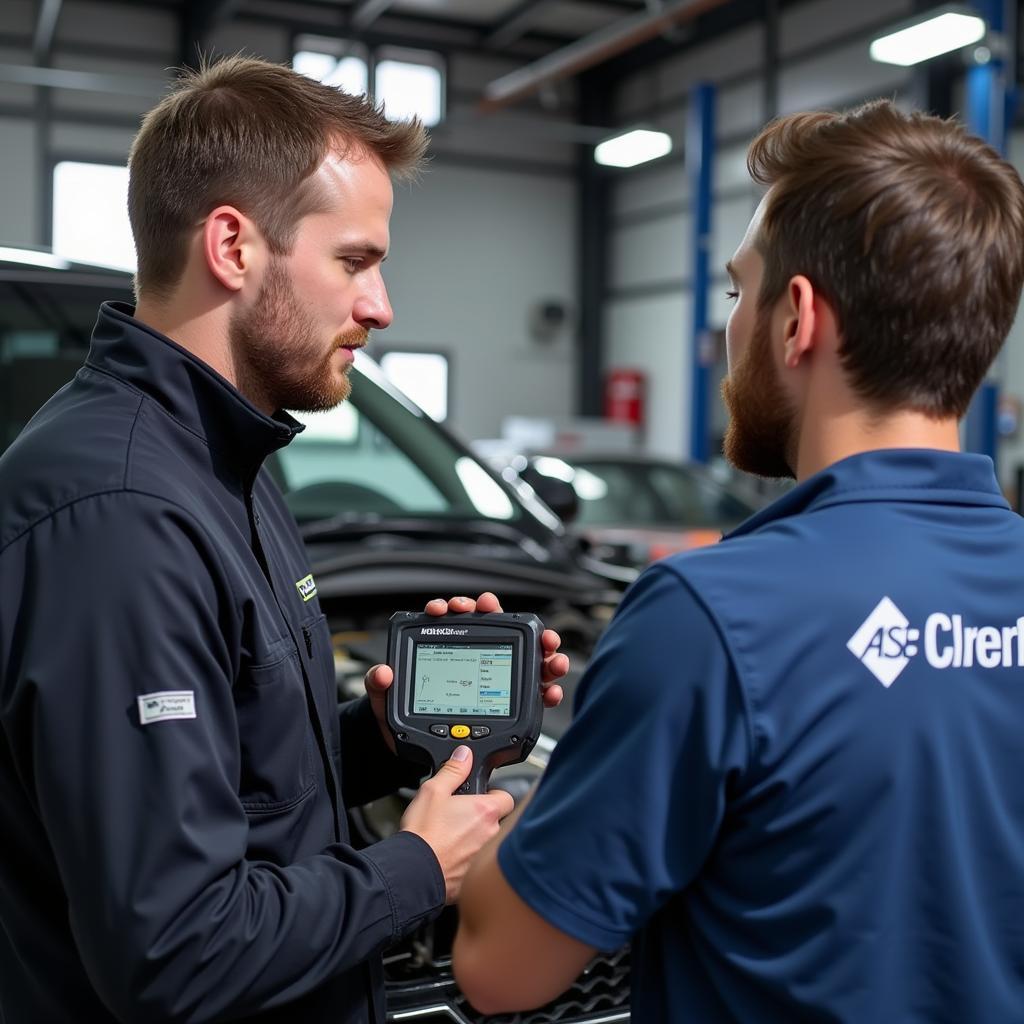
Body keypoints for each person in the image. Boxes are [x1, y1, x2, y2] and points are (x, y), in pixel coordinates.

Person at [0, 57, 566, 1024]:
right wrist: (416, 867)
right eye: (354, 260)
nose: (381, 305)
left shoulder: (228, 467)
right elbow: (176, 952)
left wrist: (385, 743)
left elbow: (226, 791)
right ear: (232, 245)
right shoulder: (122, 514)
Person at [453, 99, 1024, 1022]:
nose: (728, 331)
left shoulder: (711, 618)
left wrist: (504, 806)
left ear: (796, 318)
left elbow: (499, 968)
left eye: (736, 292)